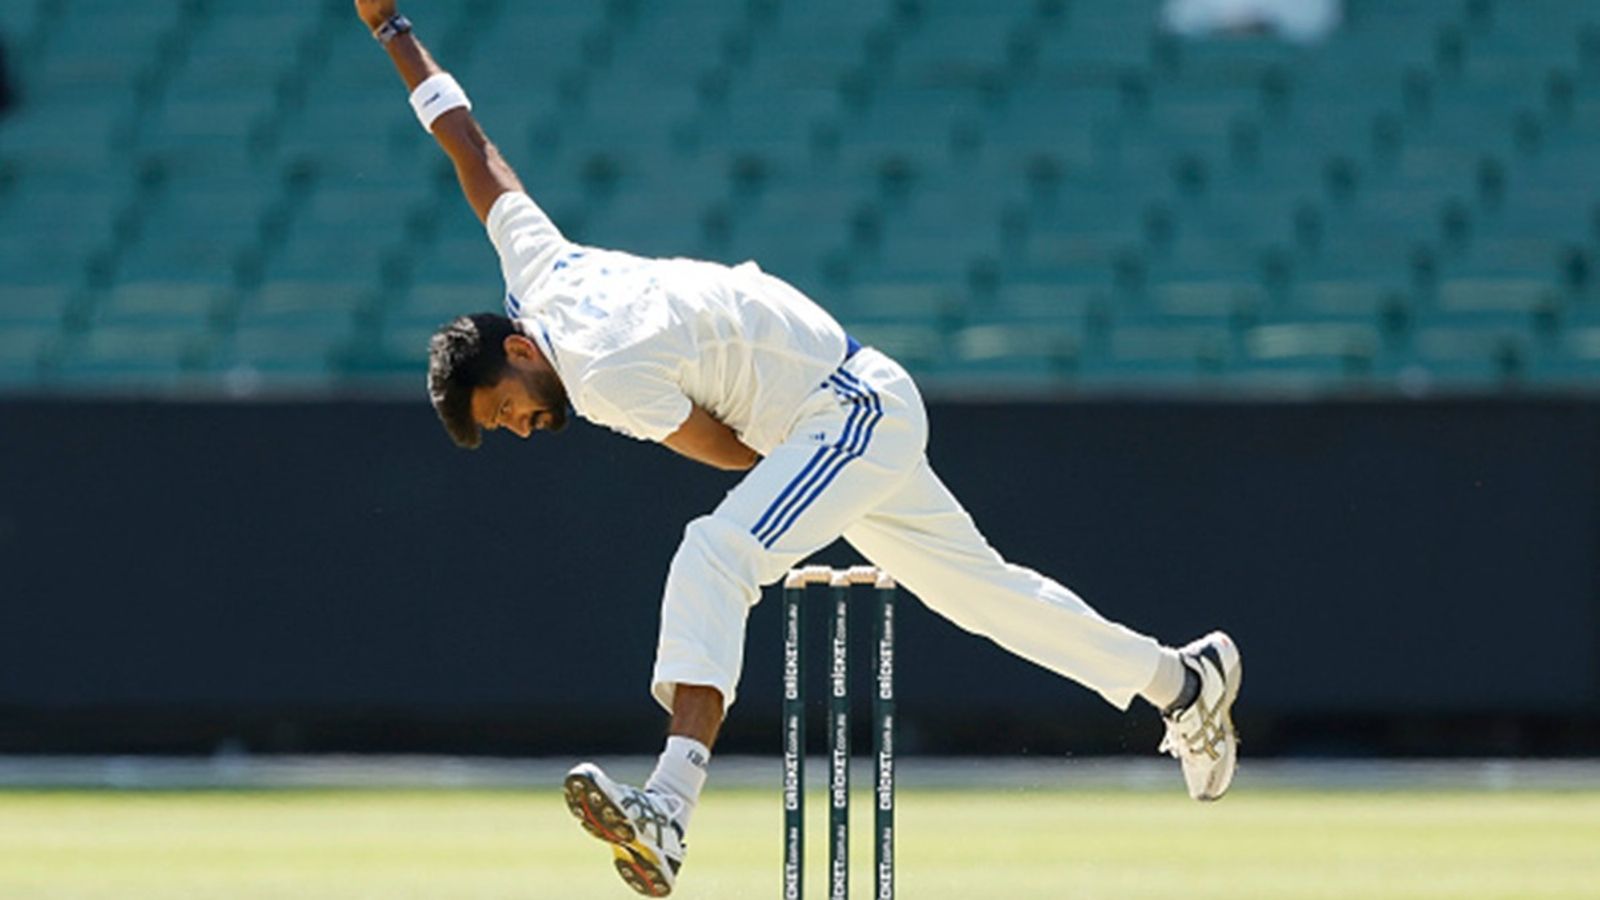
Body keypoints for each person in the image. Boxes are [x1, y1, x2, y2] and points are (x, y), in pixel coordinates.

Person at [353, 2, 1243, 896]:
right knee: (987, 597)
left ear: (517, 351)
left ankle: (669, 806)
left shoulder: (604, 376)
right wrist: (393, 28)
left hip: (843, 415)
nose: (519, 427)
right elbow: (469, 146)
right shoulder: (541, 271)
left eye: (504, 410)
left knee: (716, 553)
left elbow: (734, 455)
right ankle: (1183, 681)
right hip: (853, 410)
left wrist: (786, 465)